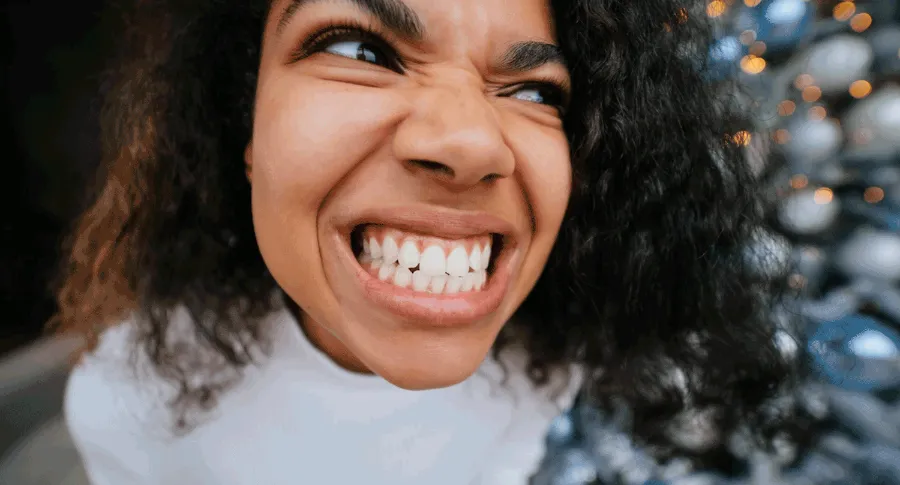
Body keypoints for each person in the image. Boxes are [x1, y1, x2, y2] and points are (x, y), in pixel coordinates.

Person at [51, 0, 797, 483]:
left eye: (536, 93)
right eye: (359, 50)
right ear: (243, 132)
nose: (471, 142)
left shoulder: (544, 362)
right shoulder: (128, 401)